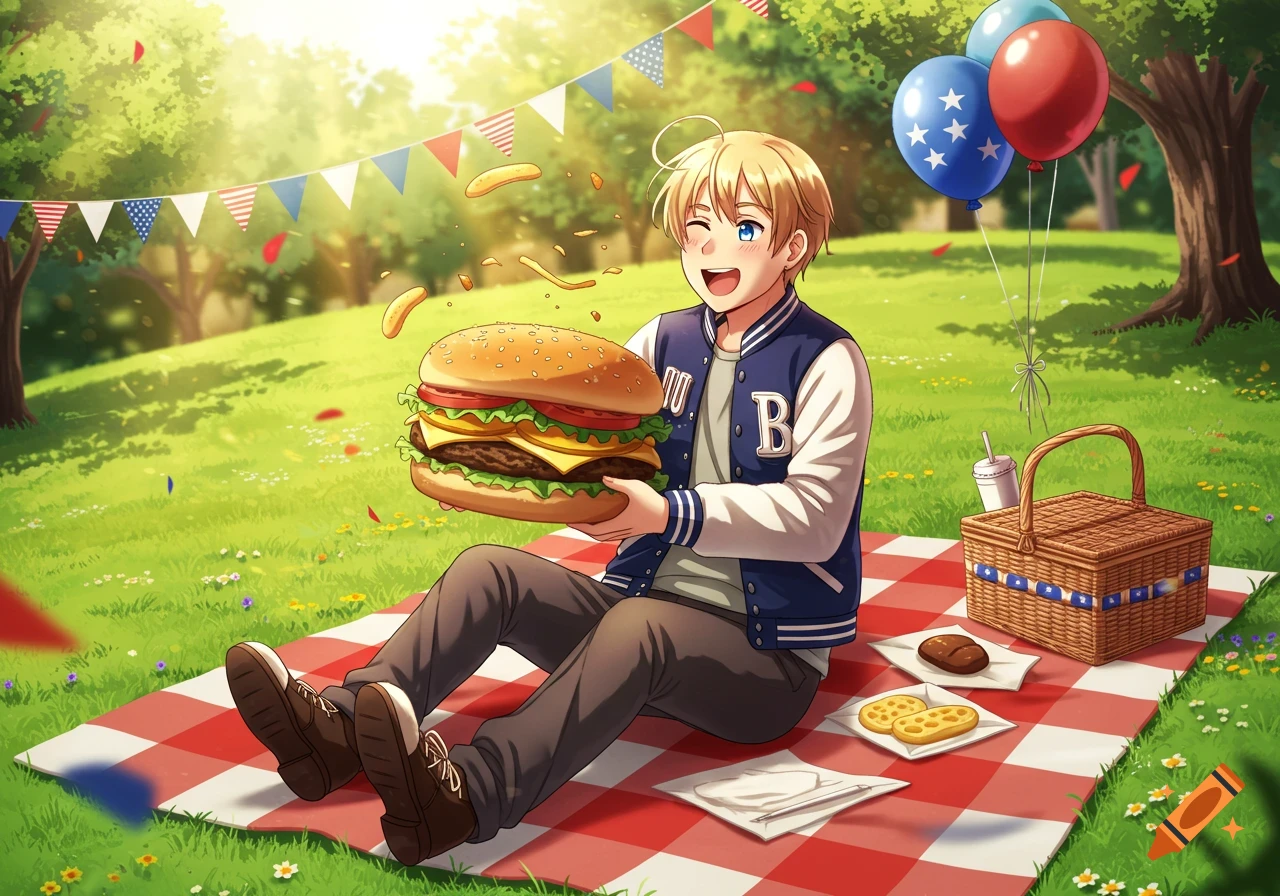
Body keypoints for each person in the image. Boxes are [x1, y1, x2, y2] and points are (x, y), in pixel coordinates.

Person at [225, 116, 873, 866]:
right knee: (488, 571)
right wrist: (502, 463)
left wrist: (664, 514)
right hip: (638, 611)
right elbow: (602, 458)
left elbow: (814, 521)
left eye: (744, 228)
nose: (710, 246)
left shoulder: (827, 360)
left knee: (642, 629)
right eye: (698, 225)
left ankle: (466, 796)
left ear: (792, 249)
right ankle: (335, 735)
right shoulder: (659, 343)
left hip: (765, 662)